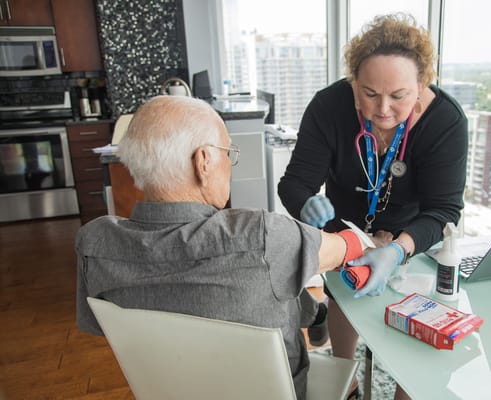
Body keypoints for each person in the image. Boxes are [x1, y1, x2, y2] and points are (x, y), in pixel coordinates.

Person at [75, 95, 389, 400]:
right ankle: (314, 315)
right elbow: (347, 247)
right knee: (277, 273)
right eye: (228, 153)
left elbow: (98, 324)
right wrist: (379, 243)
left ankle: (313, 313)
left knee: (270, 277)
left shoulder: (94, 242)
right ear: (203, 161)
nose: (231, 164)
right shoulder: (260, 235)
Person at [278, 13, 468, 400]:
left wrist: (399, 248)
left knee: (413, 325)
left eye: (399, 96)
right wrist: (305, 205)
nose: (382, 109)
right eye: (368, 93)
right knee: (344, 298)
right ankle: (345, 381)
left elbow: (444, 209)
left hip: (413, 232)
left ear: (421, 85)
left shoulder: (445, 122)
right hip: (344, 227)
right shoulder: (328, 107)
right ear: (353, 82)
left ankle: (406, 389)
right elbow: (294, 183)